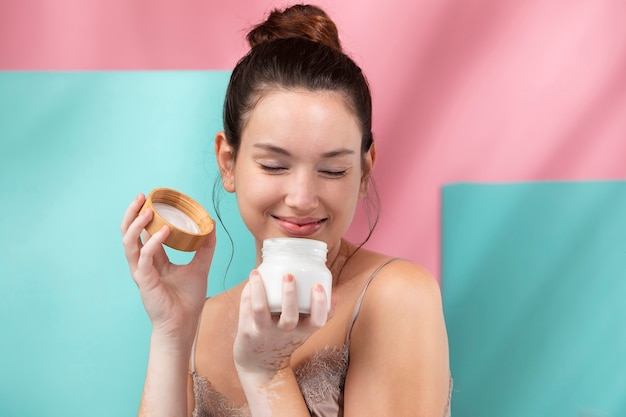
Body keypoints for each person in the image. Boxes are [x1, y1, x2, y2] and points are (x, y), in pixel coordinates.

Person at [121, 4, 452, 416]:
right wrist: (173, 333)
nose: (301, 197)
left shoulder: (396, 296)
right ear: (228, 162)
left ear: (364, 171)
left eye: (333, 170)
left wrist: (266, 371)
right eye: (274, 166)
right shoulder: (202, 321)